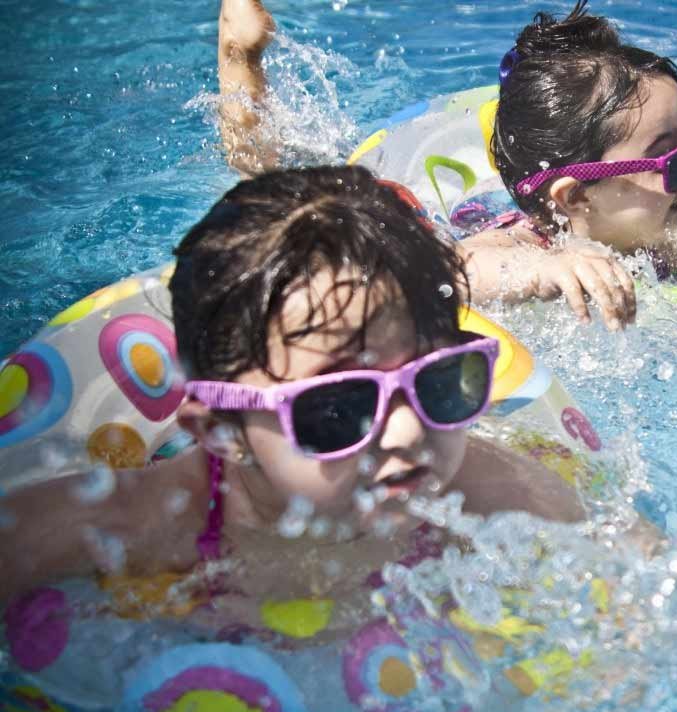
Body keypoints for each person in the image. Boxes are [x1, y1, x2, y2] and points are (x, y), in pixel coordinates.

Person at [0, 166, 583, 624]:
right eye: (339, 408)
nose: (408, 433)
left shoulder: (492, 494)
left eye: (437, 382)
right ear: (220, 432)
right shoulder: (134, 526)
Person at [216, 0, 677, 332]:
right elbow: (450, 275)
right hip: (448, 217)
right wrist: (545, 269)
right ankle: (240, 57)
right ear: (574, 199)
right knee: (276, 192)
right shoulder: (522, 241)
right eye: (668, 161)